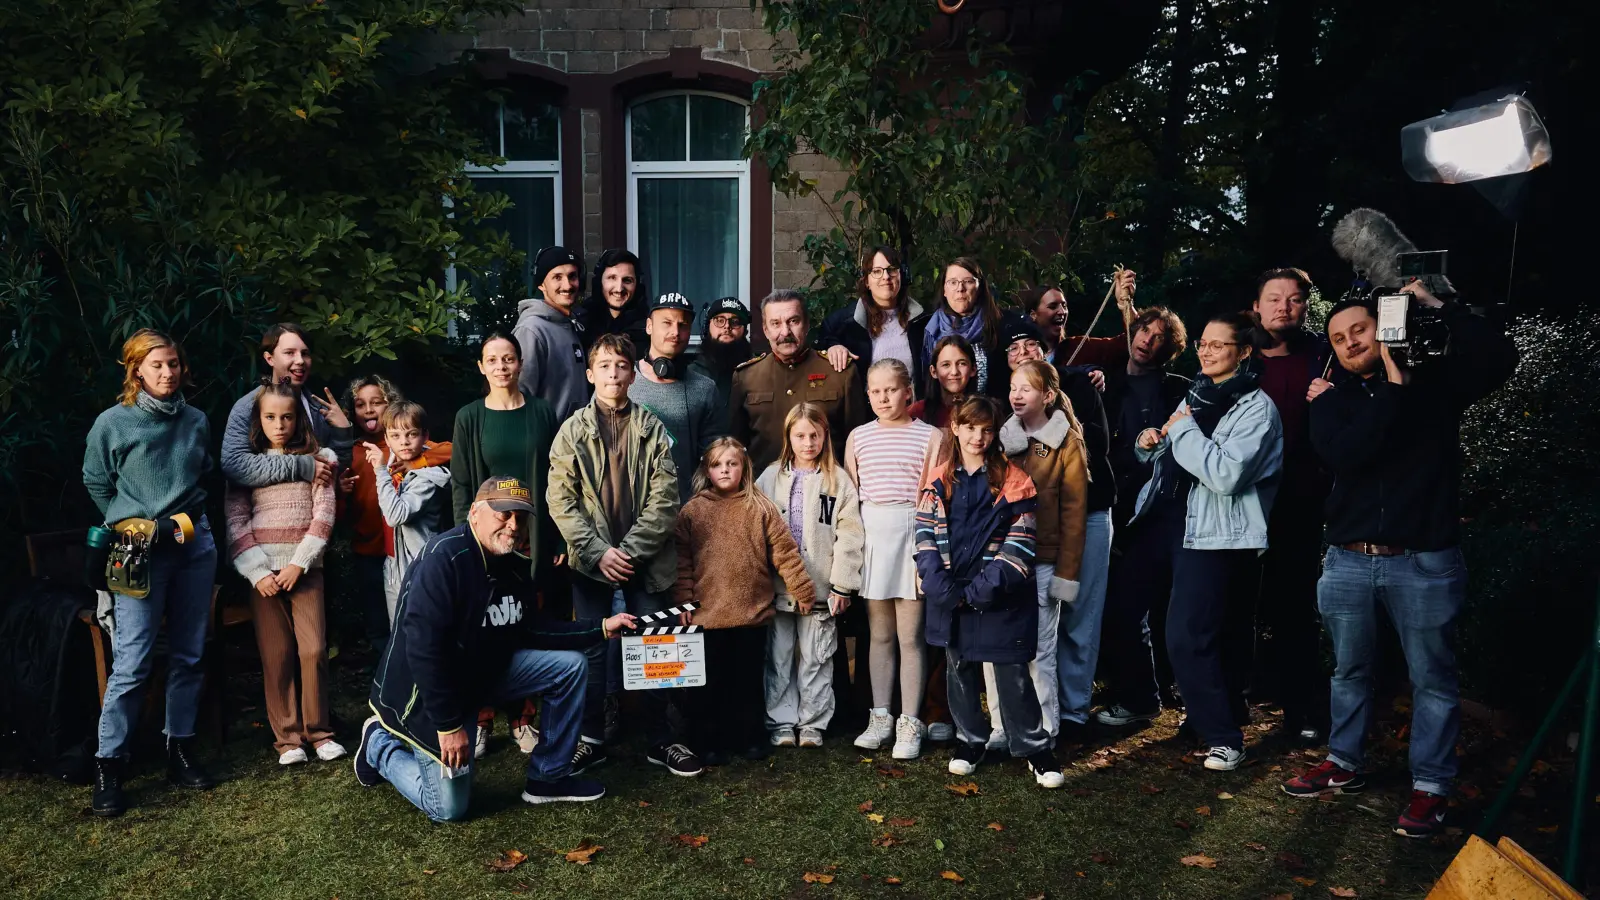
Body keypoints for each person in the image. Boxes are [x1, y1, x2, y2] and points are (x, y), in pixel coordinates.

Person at [1280, 286, 1516, 839]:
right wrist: (1391, 385)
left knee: (1432, 678)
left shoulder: (1435, 388)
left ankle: (1431, 787)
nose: (1349, 342)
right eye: (1337, 339)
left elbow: (1499, 358)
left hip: (1424, 561)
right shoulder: (1331, 399)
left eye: (1359, 329)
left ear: (1385, 327)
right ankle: (1344, 761)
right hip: (1348, 560)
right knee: (1350, 671)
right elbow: (1349, 453)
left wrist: (1439, 306)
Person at [356, 477, 638, 822]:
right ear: (475, 512)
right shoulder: (444, 558)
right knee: (448, 807)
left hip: (483, 674)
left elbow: (534, 628)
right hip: (431, 692)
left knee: (569, 667)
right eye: (503, 514)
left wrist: (601, 627)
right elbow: (424, 650)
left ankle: (548, 778)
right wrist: (447, 726)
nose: (514, 525)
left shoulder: (513, 566)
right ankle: (378, 745)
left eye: (521, 516)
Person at [1132, 312, 1282, 772]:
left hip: (1217, 531)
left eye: (1220, 345)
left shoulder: (1256, 408)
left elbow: (1224, 473)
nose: (1208, 350)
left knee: (1187, 634)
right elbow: (1174, 451)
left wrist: (1180, 431)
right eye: (1204, 341)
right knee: (1211, 630)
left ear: (1243, 352)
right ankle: (1211, 717)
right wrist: (1150, 442)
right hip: (1176, 520)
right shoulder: (1197, 392)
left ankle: (1225, 738)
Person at [82, 329, 219, 817]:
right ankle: (109, 766)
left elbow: (201, 474)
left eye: (174, 364)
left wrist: (181, 521)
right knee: (133, 660)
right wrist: (126, 522)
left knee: (189, 653)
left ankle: (178, 750)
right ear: (135, 369)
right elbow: (95, 479)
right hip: (137, 550)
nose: (168, 373)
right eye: (157, 365)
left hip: (192, 542)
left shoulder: (196, 420)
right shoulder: (113, 423)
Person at [547, 334, 692, 776]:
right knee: (592, 651)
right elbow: (560, 500)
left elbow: (666, 499)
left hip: (646, 561)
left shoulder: (652, 429)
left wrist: (626, 552)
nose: (613, 373)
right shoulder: (571, 431)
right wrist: (597, 554)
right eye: (604, 366)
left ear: (633, 374)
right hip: (591, 565)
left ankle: (659, 739)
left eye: (621, 366)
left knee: (656, 647)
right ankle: (590, 739)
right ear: (591, 374)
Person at [913, 397, 1064, 789]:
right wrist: (941, 585)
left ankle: (1034, 747)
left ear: (994, 433)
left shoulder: (1016, 480)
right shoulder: (938, 480)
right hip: (950, 591)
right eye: (970, 428)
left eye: (986, 429)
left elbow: (1021, 540)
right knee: (959, 669)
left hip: (999, 591)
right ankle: (969, 741)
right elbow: (924, 535)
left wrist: (983, 588)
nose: (978, 437)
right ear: (956, 429)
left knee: (1011, 671)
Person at [449, 332, 561, 756]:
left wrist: (556, 535)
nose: (501, 367)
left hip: (533, 537)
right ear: (481, 366)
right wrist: (469, 538)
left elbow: (556, 479)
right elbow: (462, 483)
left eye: (509, 358)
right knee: (481, 627)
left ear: (520, 364)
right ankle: (480, 719)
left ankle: (522, 719)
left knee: (526, 624)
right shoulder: (469, 417)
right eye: (492, 360)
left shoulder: (542, 413)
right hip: (487, 539)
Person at [225, 380, 343, 765]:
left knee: (312, 650)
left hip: (304, 567)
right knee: (276, 654)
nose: (280, 424)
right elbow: (236, 521)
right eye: (271, 417)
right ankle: (288, 740)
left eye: (287, 417)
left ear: (298, 419)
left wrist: (300, 562)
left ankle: (319, 732)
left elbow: (324, 514)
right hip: (263, 574)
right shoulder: (249, 467)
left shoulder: (319, 458)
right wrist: (257, 571)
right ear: (259, 420)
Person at [675, 437, 814, 763]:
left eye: (732, 463)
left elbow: (785, 552)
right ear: (707, 470)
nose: (725, 470)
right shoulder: (693, 511)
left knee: (747, 682)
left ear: (744, 468)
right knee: (709, 685)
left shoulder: (760, 506)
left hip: (751, 613)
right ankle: (708, 741)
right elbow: (681, 563)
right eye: (717, 464)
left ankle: (748, 737)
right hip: (707, 616)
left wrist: (802, 588)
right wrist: (683, 602)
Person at [1250, 268, 1335, 743]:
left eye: (1296, 299)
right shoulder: (1240, 360)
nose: (1285, 306)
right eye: (1275, 298)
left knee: (1295, 608)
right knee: (1233, 604)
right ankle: (1221, 708)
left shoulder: (1324, 358)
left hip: (1300, 500)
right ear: (1257, 307)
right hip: (1241, 502)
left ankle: (1301, 712)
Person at [844, 359, 944, 760]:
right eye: (875, 390)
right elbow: (851, 496)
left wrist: (926, 550)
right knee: (880, 634)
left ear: (908, 392)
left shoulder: (930, 436)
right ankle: (881, 715)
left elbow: (933, 495)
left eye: (891, 389)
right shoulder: (858, 437)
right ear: (867, 394)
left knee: (910, 636)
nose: (883, 398)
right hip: (872, 535)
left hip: (912, 534)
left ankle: (910, 720)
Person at [1096, 307, 1190, 729]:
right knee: (1124, 605)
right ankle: (1137, 694)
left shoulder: (1179, 390)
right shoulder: (1105, 384)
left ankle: (1160, 691)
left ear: (1168, 350)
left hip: (1166, 510)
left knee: (1167, 607)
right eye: (1144, 331)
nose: (1148, 341)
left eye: (1159, 338)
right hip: (1117, 506)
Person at [986, 360, 1088, 748]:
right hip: (1003, 562)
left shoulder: (1066, 444)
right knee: (996, 647)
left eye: (1026, 388)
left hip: (1044, 563)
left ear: (1047, 395)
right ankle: (1001, 727)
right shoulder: (1001, 441)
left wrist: (1066, 573)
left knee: (1040, 651)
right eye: (1013, 387)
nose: (1016, 395)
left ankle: (1046, 728)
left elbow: (1074, 516)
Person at [756, 403, 865, 749]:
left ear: (825, 436)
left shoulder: (837, 480)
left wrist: (843, 584)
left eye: (814, 435)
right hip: (778, 588)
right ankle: (781, 720)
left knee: (816, 657)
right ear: (789, 437)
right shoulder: (770, 477)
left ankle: (813, 722)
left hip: (820, 589)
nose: (808, 443)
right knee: (780, 656)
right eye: (800, 435)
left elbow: (850, 534)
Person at [730, 289, 864, 473]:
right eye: (775, 323)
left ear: (807, 324)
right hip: (763, 493)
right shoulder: (746, 376)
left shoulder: (839, 372)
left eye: (793, 321)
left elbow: (858, 441)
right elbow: (735, 446)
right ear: (765, 329)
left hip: (826, 490)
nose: (785, 332)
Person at [222, 323, 353, 490]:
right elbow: (235, 465)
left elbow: (336, 473)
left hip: (316, 513)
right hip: (266, 512)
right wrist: (301, 466)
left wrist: (342, 432)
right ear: (270, 358)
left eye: (305, 354)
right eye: (289, 353)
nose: (300, 361)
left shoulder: (318, 408)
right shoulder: (248, 406)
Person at [629, 291, 724, 502]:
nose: (675, 331)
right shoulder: (621, 381)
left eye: (683, 325)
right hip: (630, 514)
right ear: (649, 326)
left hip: (685, 512)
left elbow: (714, 460)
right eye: (667, 323)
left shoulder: (704, 388)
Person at [367, 400, 452, 625]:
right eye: (395, 436)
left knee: (422, 635)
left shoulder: (427, 477)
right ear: (386, 439)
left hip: (421, 566)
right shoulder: (393, 468)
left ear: (425, 436)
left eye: (411, 434)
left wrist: (379, 471)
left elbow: (396, 515)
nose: (403, 442)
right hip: (395, 566)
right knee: (398, 637)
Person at [338, 374, 404, 649]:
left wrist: (414, 463)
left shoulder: (403, 444)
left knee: (406, 619)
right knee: (377, 625)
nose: (369, 410)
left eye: (377, 402)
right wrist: (341, 493)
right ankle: (383, 682)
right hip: (369, 554)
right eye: (361, 404)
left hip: (403, 551)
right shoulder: (351, 453)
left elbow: (446, 452)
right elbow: (340, 518)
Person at [816, 245, 931, 382]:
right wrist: (832, 346)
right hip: (864, 403)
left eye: (892, 270)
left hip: (912, 402)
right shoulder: (844, 323)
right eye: (877, 271)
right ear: (866, 282)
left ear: (902, 276)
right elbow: (820, 345)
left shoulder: (922, 321)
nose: (886, 277)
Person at [514, 245, 590, 422]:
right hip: (548, 445)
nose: (568, 285)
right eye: (557, 277)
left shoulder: (572, 325)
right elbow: (519, 396)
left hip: (575, 443)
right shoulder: (531, 330)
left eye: (572, 276)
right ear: (541, 284)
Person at [920, 257, 1005, 398]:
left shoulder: (999, 325)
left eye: (968, 282)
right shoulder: (928, 329)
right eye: (953, 282)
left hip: (990, 412)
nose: (960, 289)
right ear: (944, 290)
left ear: (980, 288)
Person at [1051, 269, 1140, 369]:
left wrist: (1125, 303)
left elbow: (1130, 342)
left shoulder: (1078, 348)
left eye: (1064, 306)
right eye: (1052, 306)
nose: (1062, 312)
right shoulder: (1031, 354)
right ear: (1033, 314)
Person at [575, 248, 648, 353]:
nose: (619, 289)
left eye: (627, 280)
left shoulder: (647, 328)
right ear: (599, 281)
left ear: (637, 285)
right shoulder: (581, 324)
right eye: (612, 278)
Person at [689, 296, 753, 413]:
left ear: (745, 330)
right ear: (708, 327)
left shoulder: (758, 372)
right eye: (719, 320)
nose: (727, 326)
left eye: (735, 322)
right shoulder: (690, 375)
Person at [908, 334, 976, 428]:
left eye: (962, 363)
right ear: (934, 371)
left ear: (973, 369)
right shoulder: (917, 413)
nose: (954, 372)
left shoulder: (984, 411)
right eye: (946, 365)